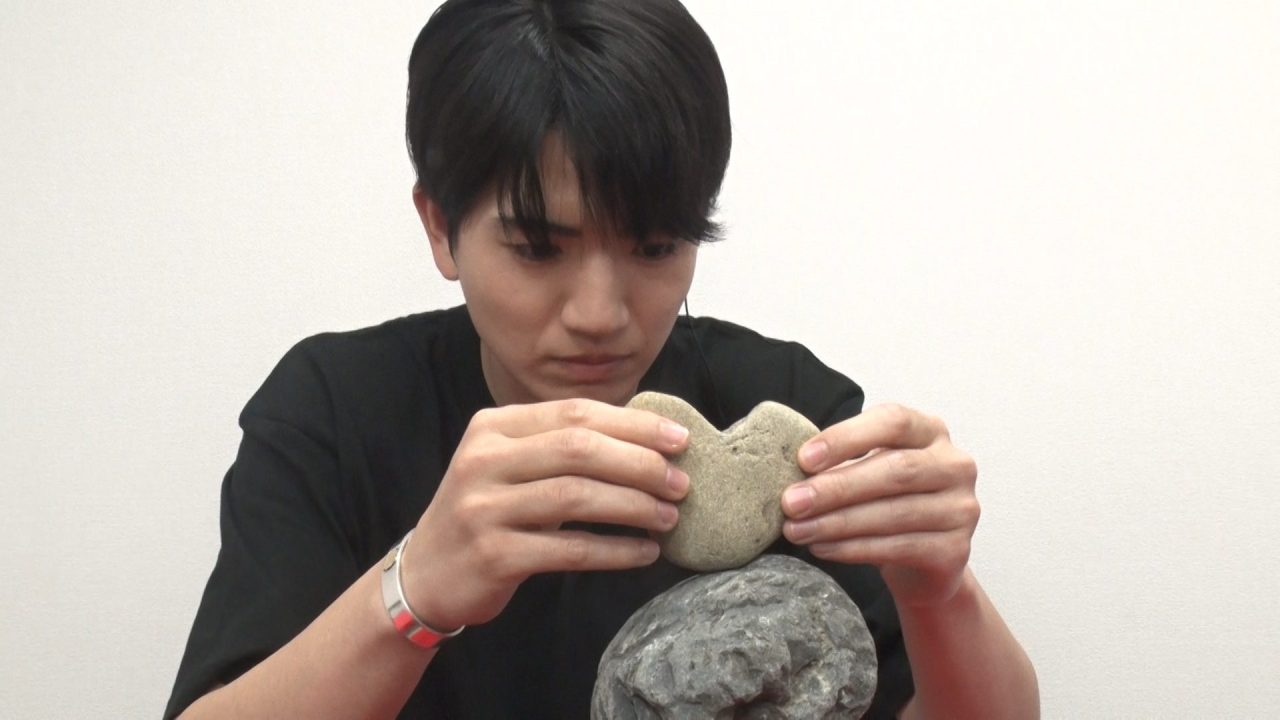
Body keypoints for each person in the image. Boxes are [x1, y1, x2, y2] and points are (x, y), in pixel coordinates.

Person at [165, 0, 1039, 717]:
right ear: (439, 226)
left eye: (654, 247)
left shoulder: (779, 404)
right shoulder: (336, 409)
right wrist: (416, 589)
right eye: (538, 249)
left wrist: (940, 592)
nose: (600, 315)